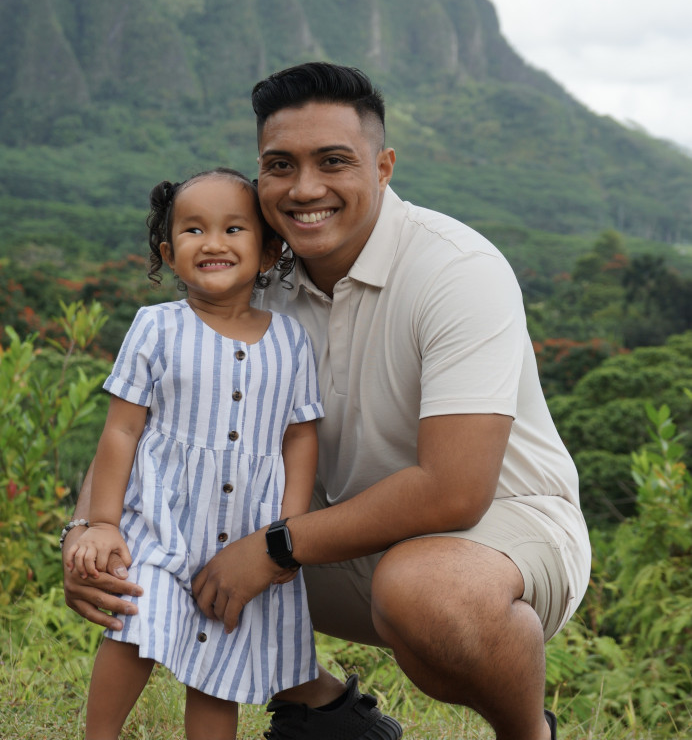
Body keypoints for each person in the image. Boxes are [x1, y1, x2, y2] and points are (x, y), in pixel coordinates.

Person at [63, 64, 591, 740]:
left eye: (334, 162)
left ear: (384, 166)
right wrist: (86, 534)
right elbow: (150, 422)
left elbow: (454, 492)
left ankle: (528, 735)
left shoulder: (457, 270)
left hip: (497, 529)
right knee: (185, 522)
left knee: (424, 591)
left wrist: (275, 545)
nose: (305, 188)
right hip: (335, 528)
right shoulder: (257, 279)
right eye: (280, 165)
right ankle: (324, 709)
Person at [63, 167, 324, 740]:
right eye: (193, 230)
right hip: (161, 523)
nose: (212, 243)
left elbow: (300, 435)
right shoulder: (156, 328)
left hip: (247, 532)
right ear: (168, 250)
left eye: (234, 229)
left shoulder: (291, 341)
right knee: (135, 621)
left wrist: (290, 527)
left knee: (219, 665)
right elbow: (121, 433)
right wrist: (102, 524)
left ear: (268, 250)